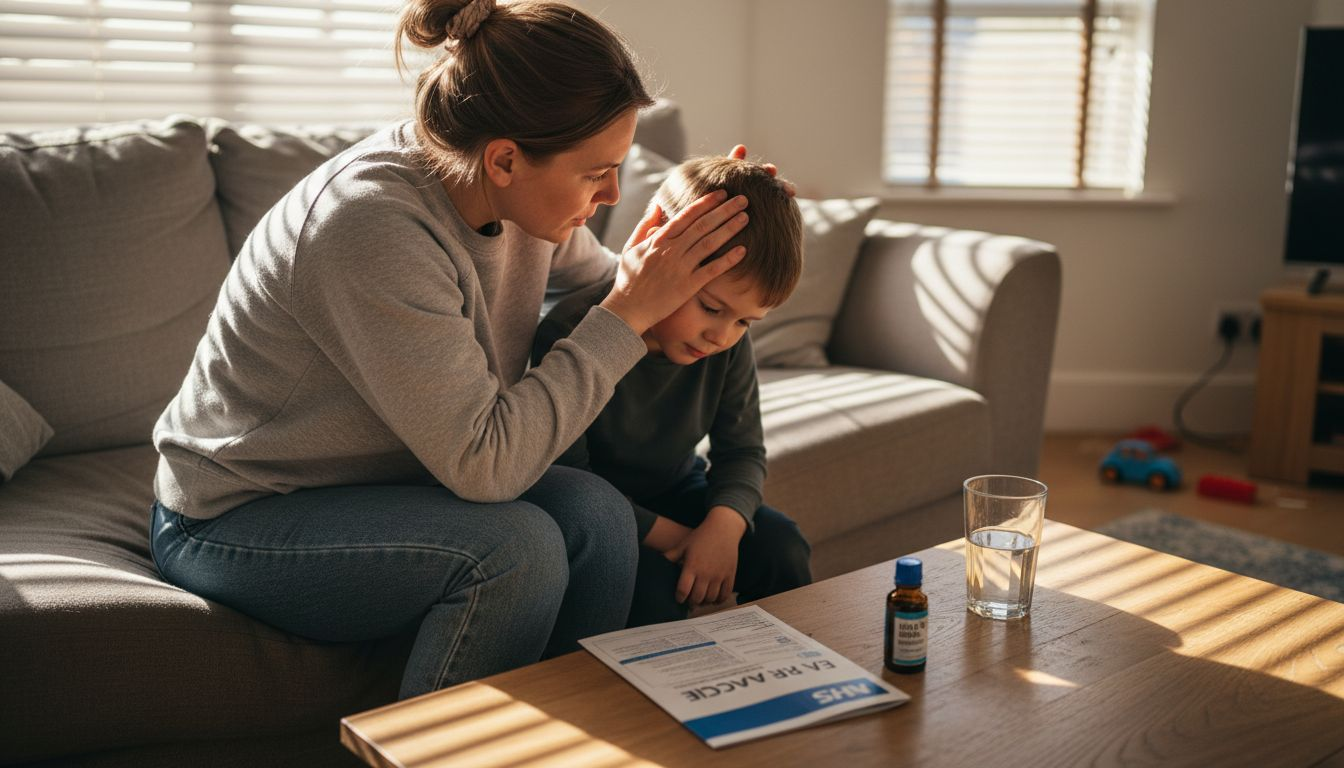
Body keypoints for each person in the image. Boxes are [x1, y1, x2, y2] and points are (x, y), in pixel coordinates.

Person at [147, 0, 759, 699]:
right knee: (515, 552)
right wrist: (631, 308)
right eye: (597, 174)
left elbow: (613, 290)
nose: (613, 193)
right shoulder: (372, 227)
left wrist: (719, 246)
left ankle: (576, 737)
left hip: (387, 482)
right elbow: (487, 465)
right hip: (238, 515)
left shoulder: (520, 199)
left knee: (597, 513)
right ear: (505, 159)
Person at [532, 155, 813, 627]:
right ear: (658, 251)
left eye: (745, 320)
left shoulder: (724, 344)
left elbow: (742, 450)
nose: (722, 335)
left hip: (675, 487)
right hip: (598, 513)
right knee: (653, 591)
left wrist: (723, 528)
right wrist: (681, 540)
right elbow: (569, 480)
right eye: (710, 307)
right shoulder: (570, 334)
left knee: (780, 544)